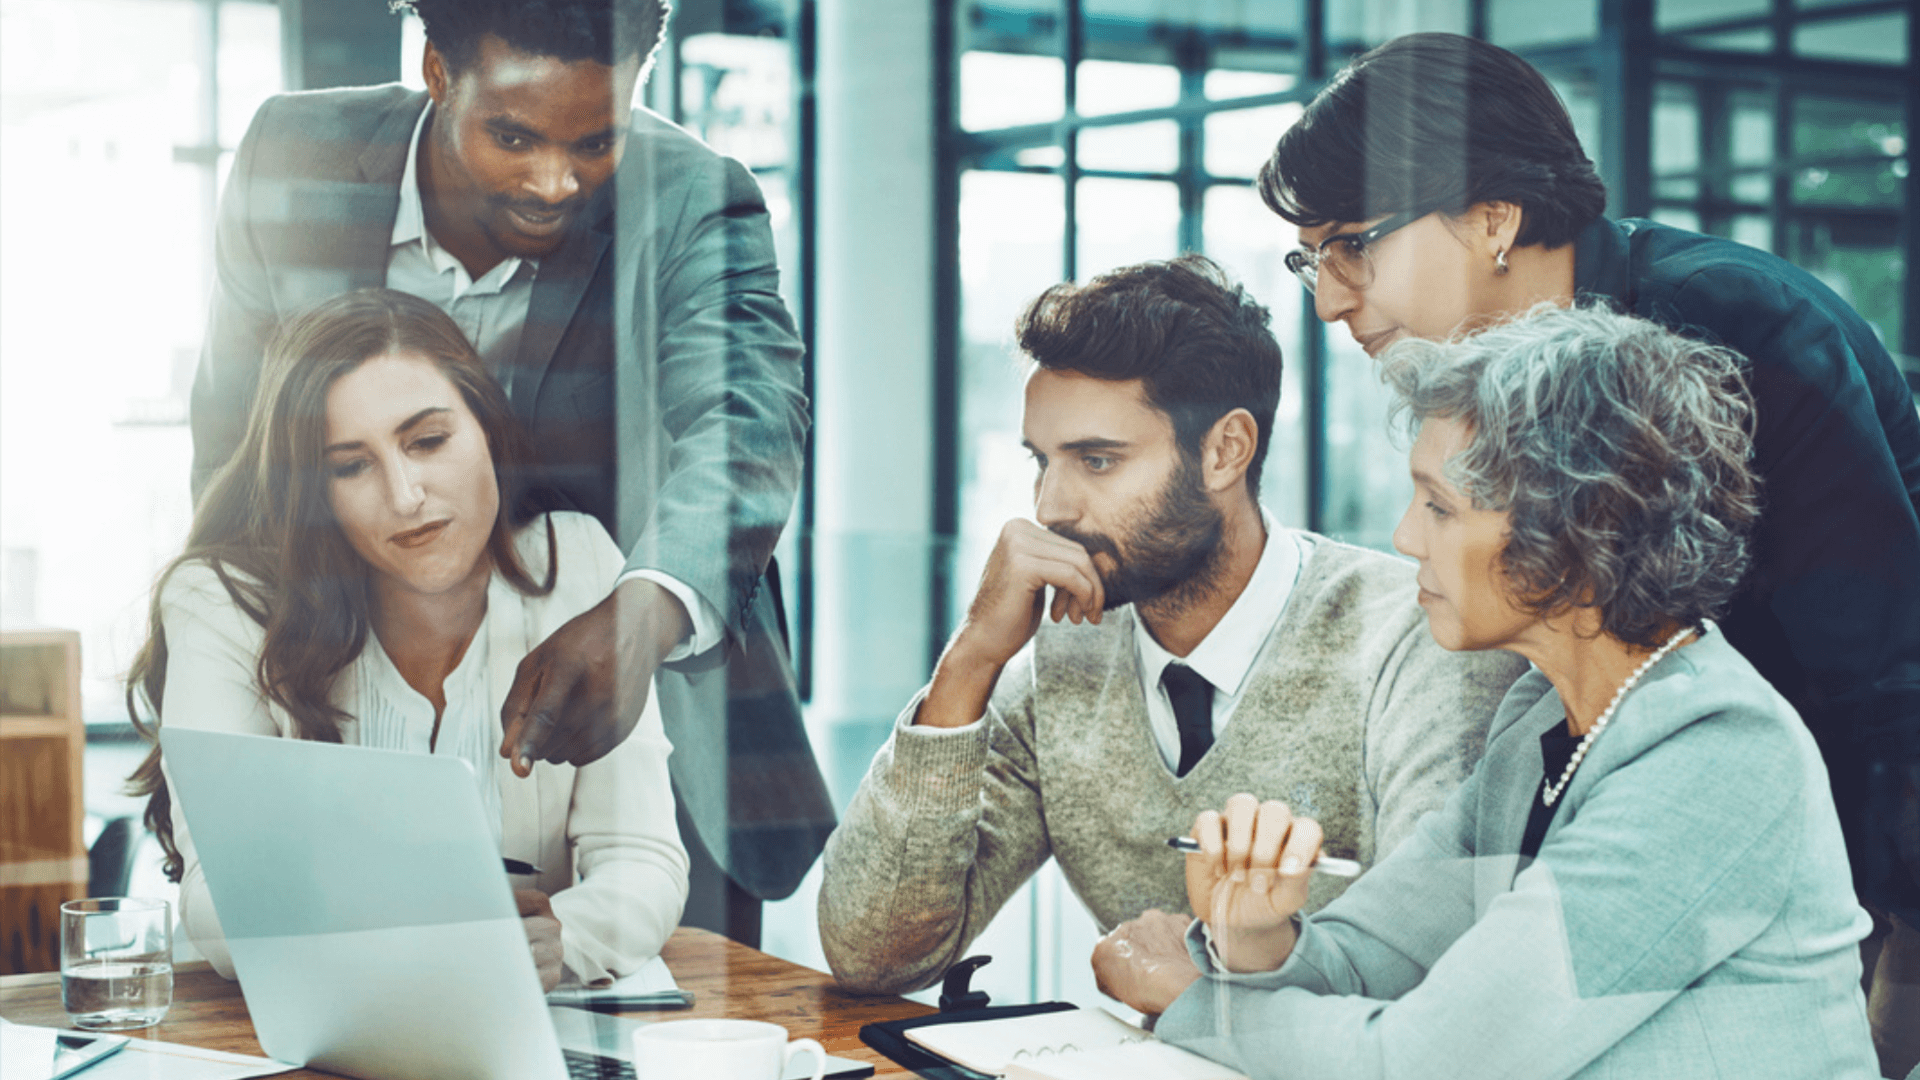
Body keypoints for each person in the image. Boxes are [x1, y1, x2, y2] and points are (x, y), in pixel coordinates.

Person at [1255, 31, 1920, 1070]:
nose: (1331, 295)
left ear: (1490, 218)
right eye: (1310, 260)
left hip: (1825, 838)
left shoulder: (1732, 329)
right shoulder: (1481, 392)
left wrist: (1883, 957)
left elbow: (1877, 672)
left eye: (1352, 243)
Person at [187, 0, 832, 943]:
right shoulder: (297, 155)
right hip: (359, 692)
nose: (556, 180)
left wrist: (643, 614)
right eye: (514, 136)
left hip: (641, 702)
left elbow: (750, 419)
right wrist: (206, 708)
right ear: (437, 73)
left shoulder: (693, 196)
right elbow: (235, 443)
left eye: (596, 139)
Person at [1095, 304, 1879, 1078]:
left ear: (1577, 532)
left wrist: (1194, 1002)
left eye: (1439, 506)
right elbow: (1368, 959)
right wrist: (1256, 934)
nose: (1404, 537)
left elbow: (1428, 1063)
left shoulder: (1718, 762)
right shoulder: (1539, 723)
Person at [817, 255, 1525, 994]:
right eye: (1042, 461)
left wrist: (1207, 987)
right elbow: (875, 953)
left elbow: (1441, 973)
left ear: (1226, 451)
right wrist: (969, 663)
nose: (1052, 506)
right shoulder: (1066, 655)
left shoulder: (1416, 642)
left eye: (1097, 460)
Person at [128, 289, 687, 990]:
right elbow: (220, 902)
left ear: (485, 425)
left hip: (514, 1028)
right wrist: (431, 945)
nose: (405, 495)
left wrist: (559, 943)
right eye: (351, 465)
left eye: (427, 441)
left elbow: (644, 861)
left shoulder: (578, 564)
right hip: (289, 1031)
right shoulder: (224, 601)